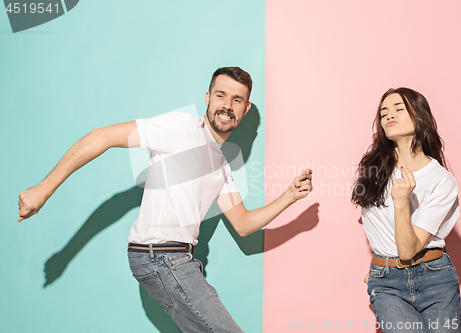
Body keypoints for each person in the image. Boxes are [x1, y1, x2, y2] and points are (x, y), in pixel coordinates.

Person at [18, 67, 313, 332]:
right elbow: (101, 137)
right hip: (160, 256)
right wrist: (43, 189)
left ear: (245, 109)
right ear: (208, 98)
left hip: (178, 259)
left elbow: (244, 224)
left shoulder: (221, 164)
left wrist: (289, 196)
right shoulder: (182, 127)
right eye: (221, 95)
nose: (227, 105)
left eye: (237, 100)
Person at [351, 88, 461, 333]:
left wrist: (402, 202)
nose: (389, 115)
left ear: (419, 115)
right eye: (383, 112)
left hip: (436, 279)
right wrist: (381, 267)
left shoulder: (442, 181)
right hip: (388, 283)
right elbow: (377, 227)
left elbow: (409, 250)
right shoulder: (373, 171)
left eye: (399, 109)